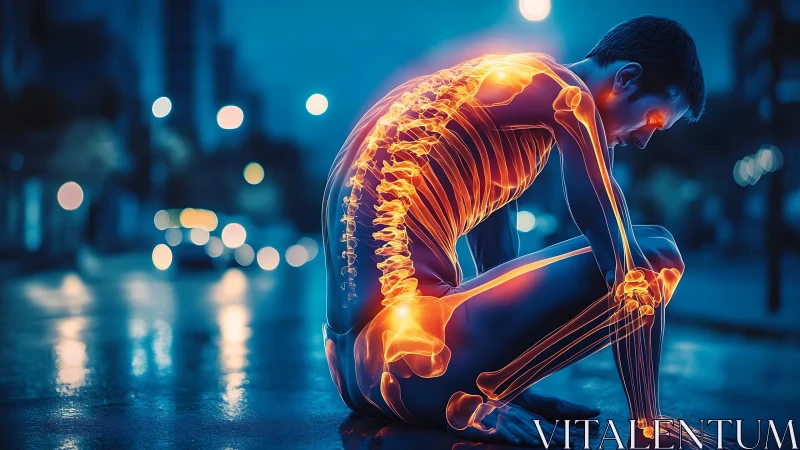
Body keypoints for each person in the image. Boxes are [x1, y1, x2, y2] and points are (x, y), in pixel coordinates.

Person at [322, 16, 715, 447]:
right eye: (653, 120)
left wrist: (512, 385)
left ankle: (477, 390)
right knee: (657, 251)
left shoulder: (493, 98)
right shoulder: (563, 93)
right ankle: (649, 430)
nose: (643, 140)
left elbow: (499, 267)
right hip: (414, 361)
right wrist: (647, 422)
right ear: (625, 77)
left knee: (637, 252)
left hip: (359, 376)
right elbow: (615, 246)